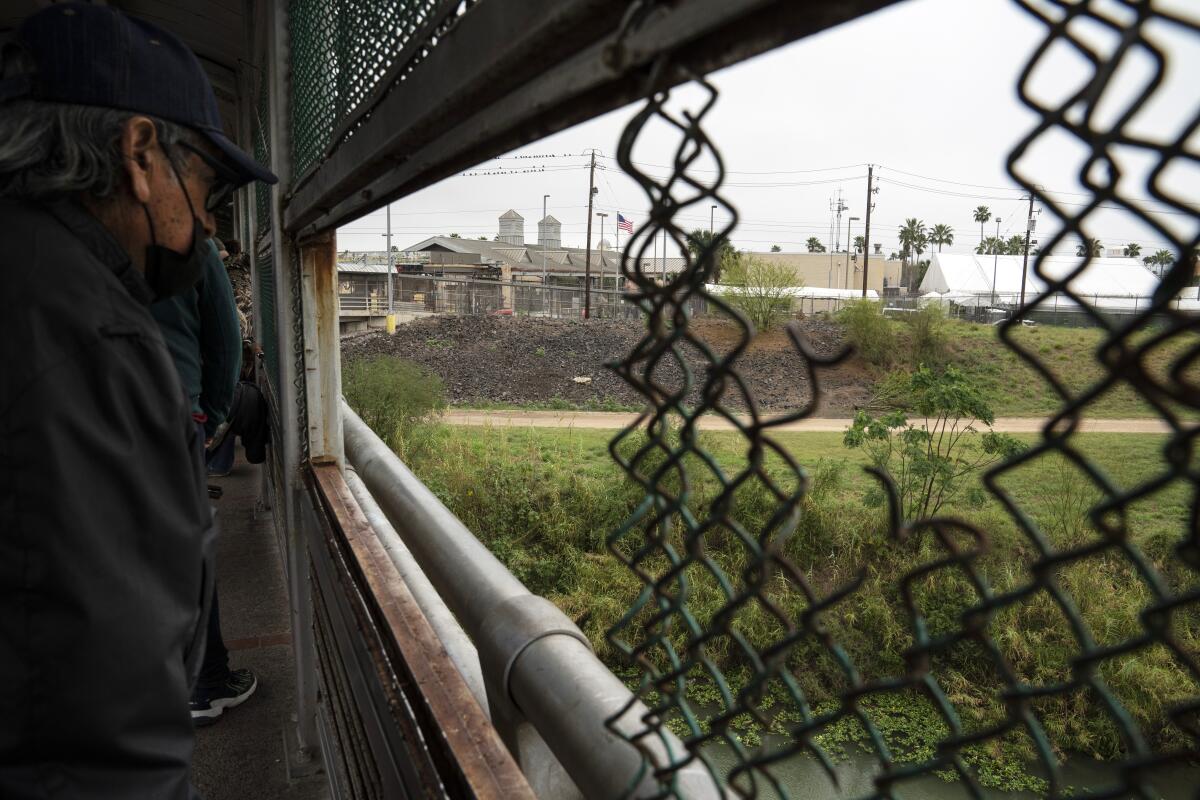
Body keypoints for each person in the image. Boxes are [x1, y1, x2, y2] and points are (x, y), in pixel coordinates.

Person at [0, 4, 276, 798]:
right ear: (141, 152)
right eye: (207, 185)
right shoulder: (90, 340)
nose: (211, 220)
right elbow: (103, 713)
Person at [151, 239, 256, 724]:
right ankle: (204, 685)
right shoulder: (184, 233)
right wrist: (210, 414)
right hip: (169, 413)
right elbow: (224, 337)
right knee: (185, 556)